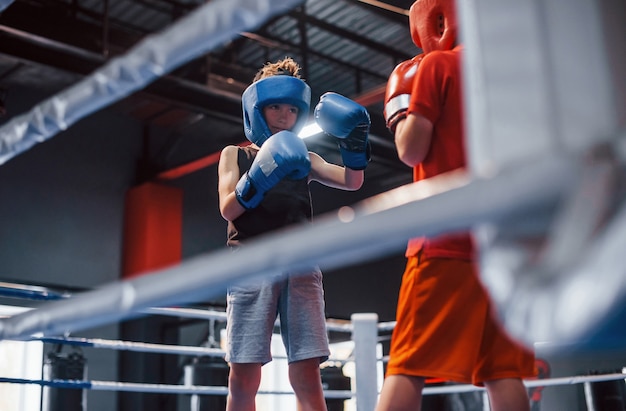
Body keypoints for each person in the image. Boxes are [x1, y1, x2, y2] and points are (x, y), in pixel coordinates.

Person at [377, 1, 536, 411]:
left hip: (445, 241)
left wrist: (399, 113)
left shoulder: (437, 66)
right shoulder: (511, 80)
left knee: (406, 365)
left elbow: (412, 151)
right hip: (504, 244)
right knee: (503, 372)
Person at [217, 57, 370, 411]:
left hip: (301, 266)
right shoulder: (234, 155)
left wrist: (356, 141)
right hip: (250, 263)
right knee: (243, 375)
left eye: (290, 108)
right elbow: (228, 207)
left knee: (306, 374)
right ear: (257, 110)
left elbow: (352, 181)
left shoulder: (306, 158)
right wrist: (260, 174)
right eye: (274, 107)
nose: (284, 115)